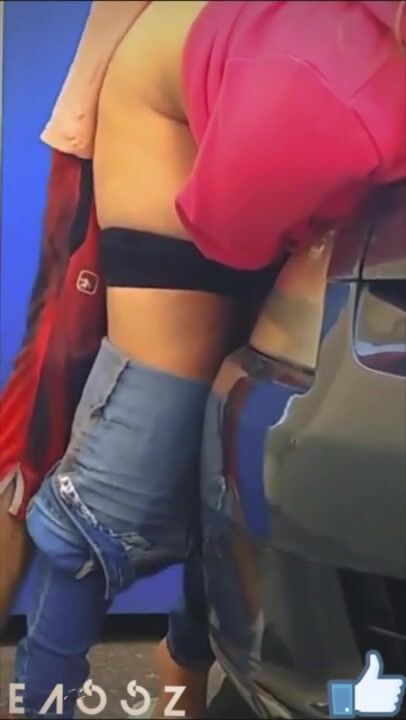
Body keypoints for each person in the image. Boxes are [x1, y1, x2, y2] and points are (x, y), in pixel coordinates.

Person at [3, 0, 405, 717]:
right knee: (133, 457)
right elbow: (238, 218)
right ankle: (43, 699)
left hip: (278, 112)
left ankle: (184, 660)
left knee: (244, 438)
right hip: (176, 123)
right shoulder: (331, 84)